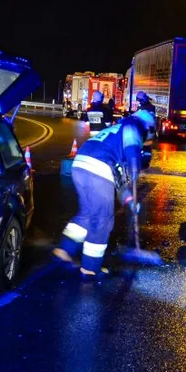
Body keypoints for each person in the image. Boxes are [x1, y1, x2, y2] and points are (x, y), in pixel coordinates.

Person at [54, 109, 156, 277]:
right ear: (148, 128)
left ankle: (65, 249)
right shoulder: (133, 125)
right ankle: (90, 267)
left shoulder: (117, 133)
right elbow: (132, 152)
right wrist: (135, 166)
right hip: (99, 167)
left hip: (81, 164)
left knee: (88, 213)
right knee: (103, 219)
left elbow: (120, 182)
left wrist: (130, 200)